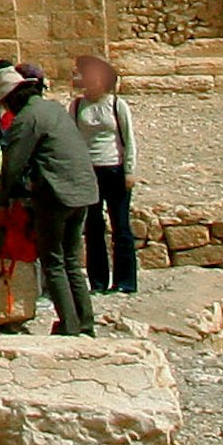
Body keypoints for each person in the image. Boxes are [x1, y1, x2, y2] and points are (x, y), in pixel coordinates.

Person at [0, 55, 98, 335]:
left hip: (57, 195)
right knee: (73, 262)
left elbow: (11, 167)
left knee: (53, 261)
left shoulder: (27, 119)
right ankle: (85, 322)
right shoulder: (53, 109)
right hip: (84, 191)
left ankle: (70, 326)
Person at [70, 54, 140, 295]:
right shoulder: (78, 105)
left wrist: (129, 170)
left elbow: (128, 139)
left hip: (114, 168)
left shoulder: (117, 104)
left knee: (121, 227)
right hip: (89, 172)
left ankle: (125, 281)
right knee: (93, 227)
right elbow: (72, 139)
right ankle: (98, 281)